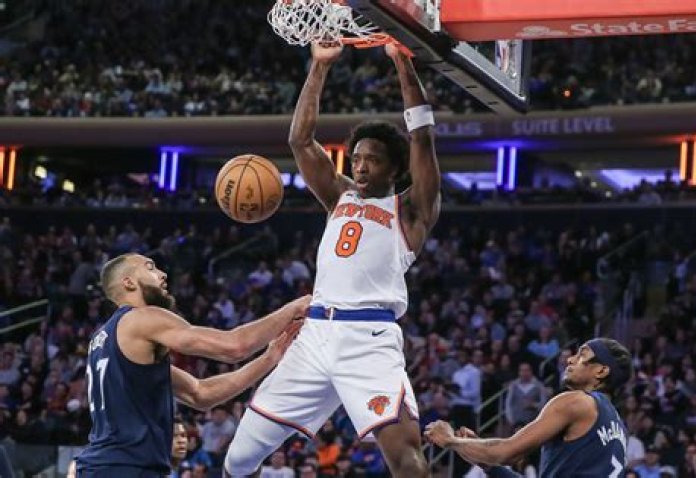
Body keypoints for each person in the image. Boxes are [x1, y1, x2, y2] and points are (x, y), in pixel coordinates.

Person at [225, 40, 441, 477]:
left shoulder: (411, 210)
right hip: (314, 335)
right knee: (238, 458)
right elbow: (299, 140)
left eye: (372, 160)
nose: (360, 167)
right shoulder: (339, 196)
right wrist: (319, 66)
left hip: (368, 338)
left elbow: (421, 135)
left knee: (407, 461)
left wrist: (403, 66)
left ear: (394, 169)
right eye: (356, 159)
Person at [73, 253, 309, 477]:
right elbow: (234, 346)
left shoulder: (104, 338)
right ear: (128, 282)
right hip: (125, 466)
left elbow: (200, 393)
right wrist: (293, 309)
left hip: (107, 465)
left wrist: (269, 359)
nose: (162, 274)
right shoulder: (141, 317)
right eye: (150, 267)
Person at [425, 338, 633, 477]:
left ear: (601, 371)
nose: (570, 359)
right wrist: (485, 461)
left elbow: (507, 452)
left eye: (582, 355)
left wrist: (451, 440)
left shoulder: (577, 402)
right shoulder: (620, 428)